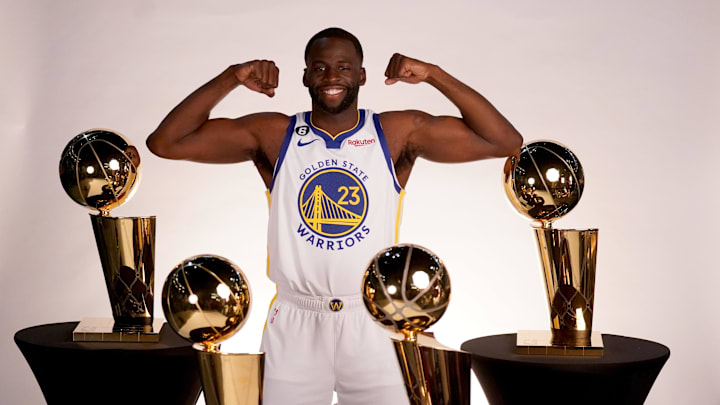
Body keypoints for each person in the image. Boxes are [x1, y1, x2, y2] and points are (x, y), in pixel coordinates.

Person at [147, 27, 522, 405]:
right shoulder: (276, 134)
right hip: (296, 320)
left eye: (344, 67)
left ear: (361, 75)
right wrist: (233, 77)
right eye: (320, 68)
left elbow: (504, 141)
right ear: (306, 76)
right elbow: (165, 143)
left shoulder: (393, 133)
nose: (331, 77)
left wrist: (434, 74)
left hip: (375, 319)